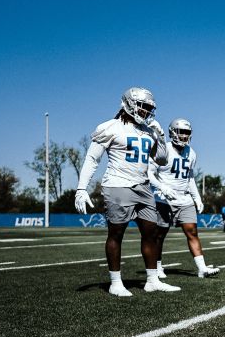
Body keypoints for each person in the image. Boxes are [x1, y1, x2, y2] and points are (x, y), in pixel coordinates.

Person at [74, 87, 179, 296]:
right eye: (143, 107)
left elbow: (162, 159)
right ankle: (115, 282)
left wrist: (159, 136)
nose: (147, 112)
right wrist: (81, 188)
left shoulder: (148, 130)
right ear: (129, 104)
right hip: (118, 185)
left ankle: (152, 280)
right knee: (116, 234)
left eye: (150, 108)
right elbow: (92, 158)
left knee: (151, 232)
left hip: (143, 186)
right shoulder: (110, 127)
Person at [148, 118, 221, 280]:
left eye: (187, 133)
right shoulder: (162, 149)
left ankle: (202, 268)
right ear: (173, 132)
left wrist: (197, 198)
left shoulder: (191, 153)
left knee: (192, 232)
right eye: (181, 132)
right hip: (163, 199)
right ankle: (158, 266)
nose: (184, 136)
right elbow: (148, 173)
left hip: (184, 199)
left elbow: (190, 177)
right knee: (160, 234)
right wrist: (162, 187)